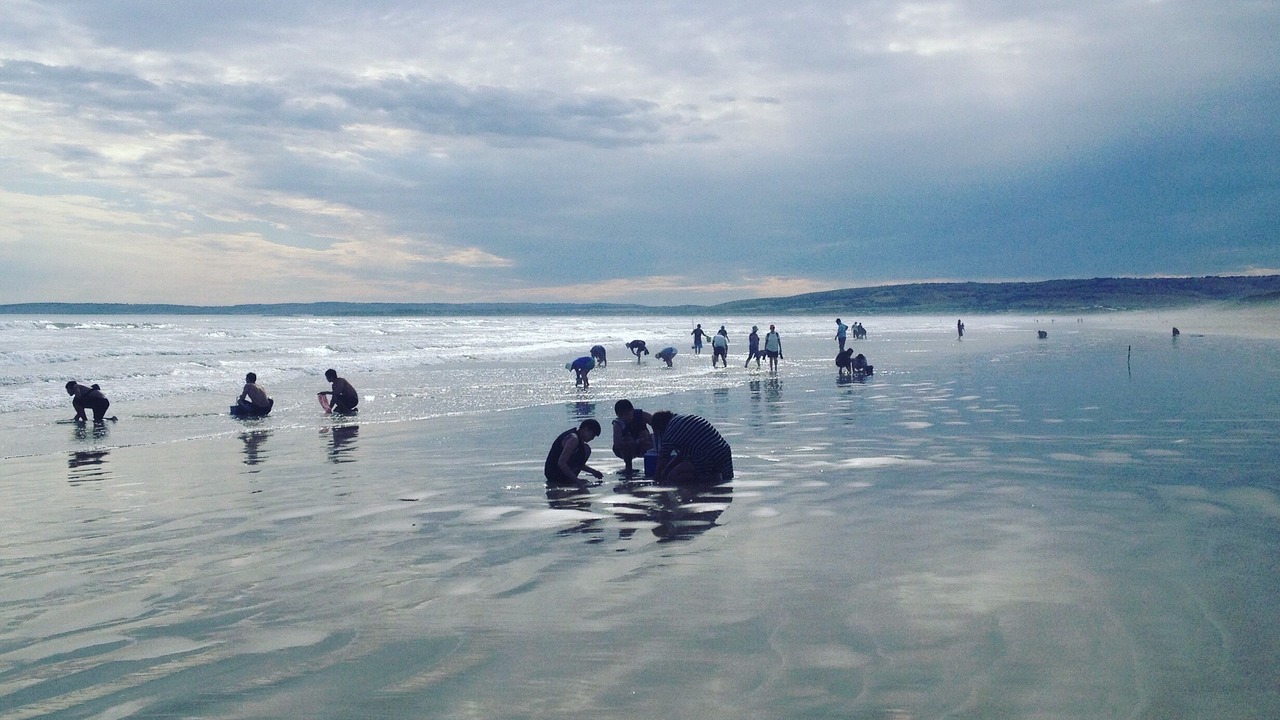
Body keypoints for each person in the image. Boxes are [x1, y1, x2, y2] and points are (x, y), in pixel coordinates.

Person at [650, 411, 733, 484]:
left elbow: (663, 457)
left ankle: (707, 481)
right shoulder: (681, 420)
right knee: (727, 480)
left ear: (659, 428)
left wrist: (657, 479)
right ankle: (714, 479)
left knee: (674, 476)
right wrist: (667, 469)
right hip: (724, 451)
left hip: (708, 456)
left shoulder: (670, 431)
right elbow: (682, 455)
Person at [544, 419, 605, 484]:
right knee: (586, 450)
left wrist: (593, 472)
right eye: (592, 435)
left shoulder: (580, 441)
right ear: (585, 429)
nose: (592, 438)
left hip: (560, 470)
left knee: (587, 449)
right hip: (553, 473)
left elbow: (578, 464)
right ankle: (571, 480)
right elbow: (561, 463)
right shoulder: (573, 439)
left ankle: (571, 479)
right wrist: (577, 481)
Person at [612, 399, 654, 473]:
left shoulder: (642, 415)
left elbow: (658, 424)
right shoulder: (618, 423)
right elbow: (617, 444)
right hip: (628, 449)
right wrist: (636, 442)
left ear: (632, 410)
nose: (625, 417)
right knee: (625, 443)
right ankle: (628, 467)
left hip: (647, 444)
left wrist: (653, 439)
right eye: (621, 415)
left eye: (627, 414)